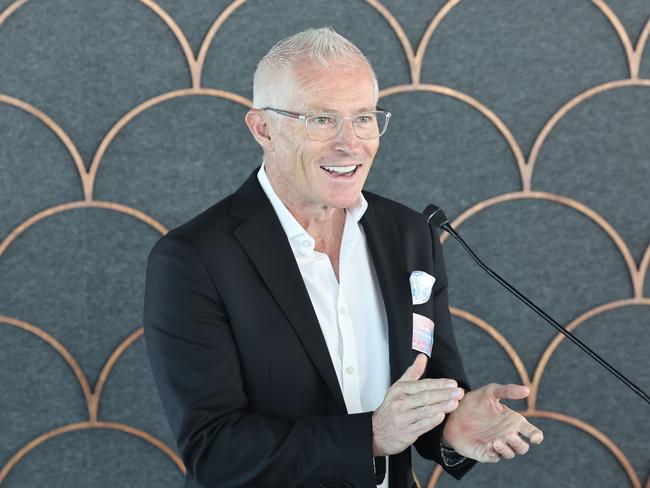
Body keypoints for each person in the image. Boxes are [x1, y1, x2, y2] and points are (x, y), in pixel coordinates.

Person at [143, 27, 544, 488]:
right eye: (321, 120)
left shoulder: (410, 234)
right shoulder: (193, 258)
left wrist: (452, 428)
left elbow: (426, 385)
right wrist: (369, 436)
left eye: (363, 119)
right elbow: (215, 451)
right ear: (263, 129)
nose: (349, 143)